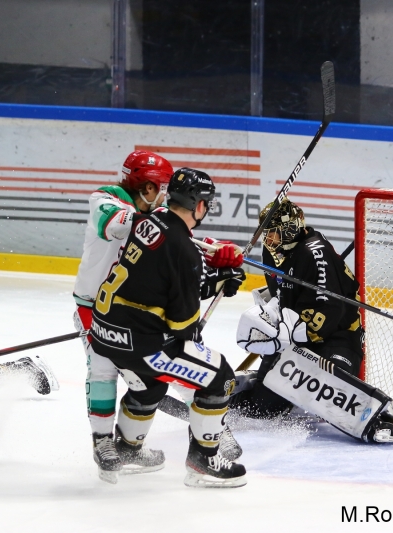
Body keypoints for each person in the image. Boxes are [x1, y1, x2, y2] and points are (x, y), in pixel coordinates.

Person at [73, 152, 243, 483]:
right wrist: (203, 262)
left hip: (118, 310)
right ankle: (107, 442)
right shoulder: (109, 202)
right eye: (161, 188)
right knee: (109, 370)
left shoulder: (152, 218)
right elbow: (141, 231)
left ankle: (132, 447)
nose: (165, 195)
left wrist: (210, 249)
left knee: (149, 382)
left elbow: (169, 235)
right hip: (97, 308)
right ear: (148, 187)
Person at [233, 198, 393, 444]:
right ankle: (251, 385)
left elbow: (330, 312)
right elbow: (280, 295)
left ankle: (380, 415)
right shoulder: (273, 251)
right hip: (298, 336)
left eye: (273, 232)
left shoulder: (315, 254)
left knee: (325, 387)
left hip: (337, 339)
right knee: (262, 408)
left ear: (289, 229)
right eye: (266, 233)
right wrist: (272, 322)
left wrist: (286, 334)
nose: (268, 239)